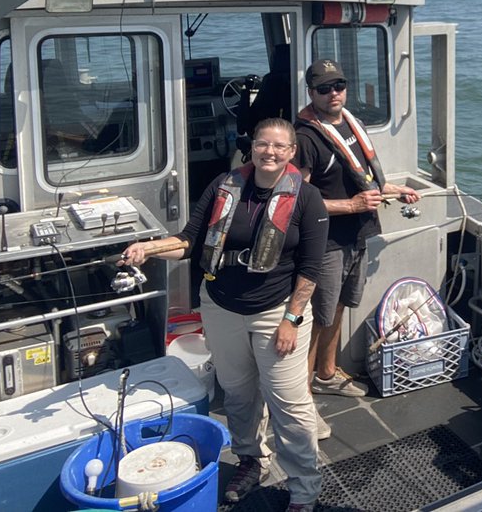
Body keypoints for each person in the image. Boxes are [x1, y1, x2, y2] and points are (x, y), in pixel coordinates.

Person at [119, 118, 327, 512]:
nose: (270, 152)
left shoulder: (307, 198)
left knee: (289, 403)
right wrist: (147, 249)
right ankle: (251, 460)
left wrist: (292, 320)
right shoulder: (223, 186)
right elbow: (188, 242)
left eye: (279, 147)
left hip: (277, 313)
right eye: (263, 144)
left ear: (292, 153)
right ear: (252, 147)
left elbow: (311, 270)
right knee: (237, 393)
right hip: (220, 307)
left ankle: (304, 487)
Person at [294, 59, 421, 399]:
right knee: (317, 318)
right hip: (327, 243)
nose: (333, 93)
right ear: (310, 93)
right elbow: (297, 200)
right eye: (323, 88)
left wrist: (394, 189)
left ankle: (325, 374)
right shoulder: (305, 138)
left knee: (336, 309)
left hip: (357, 236)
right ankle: (301, 398)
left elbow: (362, 180)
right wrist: (350, 206)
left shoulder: (353, 124)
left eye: (338, 85)